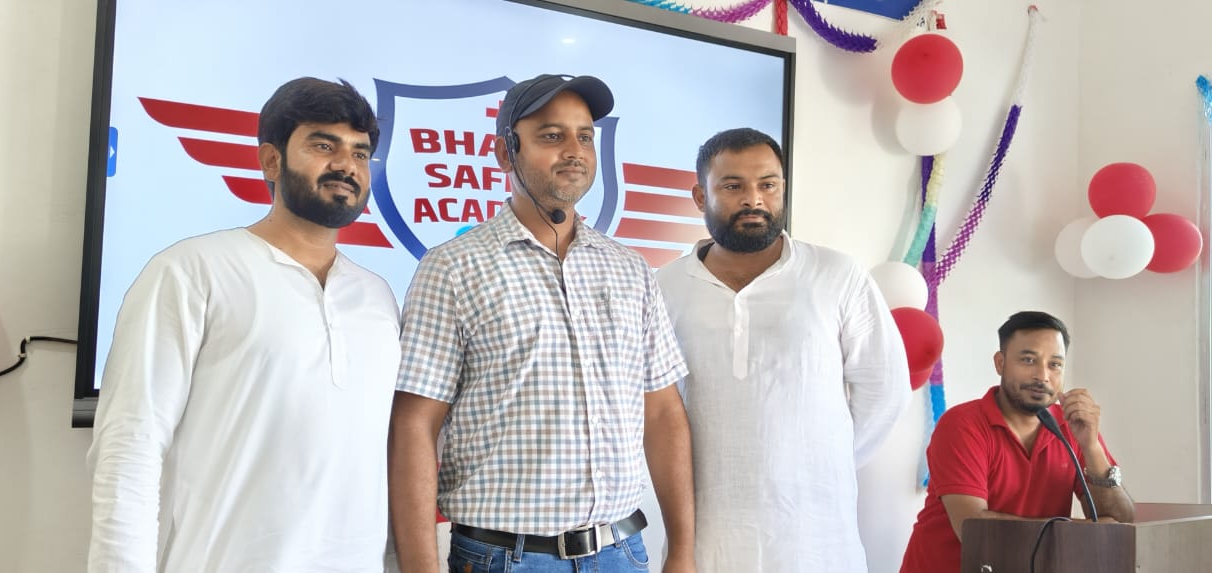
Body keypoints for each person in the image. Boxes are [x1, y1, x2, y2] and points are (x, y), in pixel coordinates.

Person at [87, 77, 399, 572]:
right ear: (271, 161)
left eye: (360, 153)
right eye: (323, 146)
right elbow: (130, 446)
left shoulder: (377, 296)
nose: (346, 165)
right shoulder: (191, 270)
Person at [388, 73, 696, 573]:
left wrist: (682, 549)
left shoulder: (631, 269)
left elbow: (662, 413)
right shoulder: (453, 268)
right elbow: (414, 426)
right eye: (551, 136)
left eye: (585, 136)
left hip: (622, 553)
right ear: (505, 153)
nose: (574, 151)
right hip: (505, 558)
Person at [653, 127, 911, 572]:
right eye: (733, 186)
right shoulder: (663, 287)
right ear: (700, 196)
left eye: (768, 185)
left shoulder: (835, 275)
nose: (753, 199)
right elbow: (656, 411)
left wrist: (818, 459)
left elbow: (884, 389)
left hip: (817, 543)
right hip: (705, 543)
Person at [899, 310, 1135, 573]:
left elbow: (1121, 523)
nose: (1042, 375)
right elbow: (974, 529)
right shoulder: (962, 424)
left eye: (1055, 364)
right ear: (1000, 363)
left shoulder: (1072, 426)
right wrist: (1079, 531)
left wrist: (1092, 447)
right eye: (1028, 360)